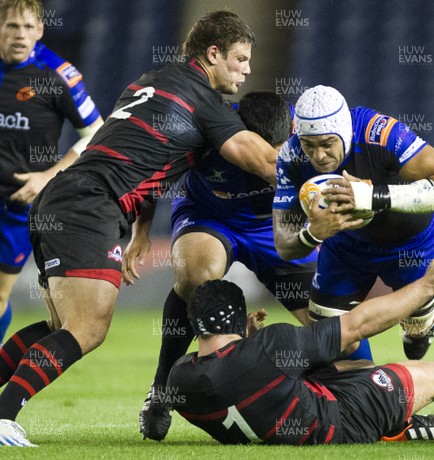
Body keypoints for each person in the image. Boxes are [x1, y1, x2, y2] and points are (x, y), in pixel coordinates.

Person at [0, 10, 278, 447]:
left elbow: (148, 160)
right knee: (87, 328)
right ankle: (4, 416)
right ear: (212, 54)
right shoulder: (204, 103)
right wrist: (319, 186)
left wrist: (141, 233)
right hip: (90, 206)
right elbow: (261, 161)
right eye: (240, 59)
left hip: (65, 197)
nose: (246, 70)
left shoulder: (151, 83)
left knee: (60, 327)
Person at [166, 254, 434, 445]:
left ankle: (397, 424)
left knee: (330, 363)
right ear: (240, 319)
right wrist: (427, 285)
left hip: (291, 412)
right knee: (433, 376)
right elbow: (356, 326)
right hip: (337, 423)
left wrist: (250, 340)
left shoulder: (180, 378)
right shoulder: (270, 348)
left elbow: (237, 369)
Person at [124, 91, 317, 441]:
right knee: (195, 274)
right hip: (208, 216)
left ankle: (350, 396)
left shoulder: (306, 129)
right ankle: (162, 388)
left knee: (326, 319)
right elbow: (155, 174)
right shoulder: (202, 129)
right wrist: (141, 234)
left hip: (273, 226)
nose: (265, 159)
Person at [273, 85, 434, 361]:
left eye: (328, 143)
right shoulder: (290, 156)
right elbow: (284, 245)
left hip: (411, 241)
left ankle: (423, 321)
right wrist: (312, 234)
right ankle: (365, 386)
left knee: (416, 337)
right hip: (346, 244)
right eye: (309, 145)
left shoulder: (380, 133)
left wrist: (372, 196)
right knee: (329, 333)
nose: (318, 156)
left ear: (346, 131)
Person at [0, 0, 103, 344]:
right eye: (12, 26)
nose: (20, 35)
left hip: (15, 206)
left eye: (29, 27)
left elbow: (96, 134)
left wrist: (48, 176)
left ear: (40, 31)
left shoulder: (58, 74)